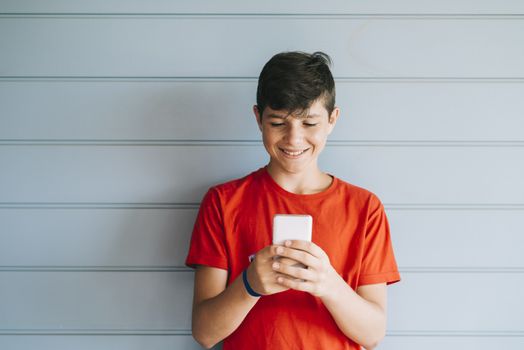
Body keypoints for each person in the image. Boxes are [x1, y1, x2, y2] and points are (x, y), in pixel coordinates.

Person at [185, 51, 400, 350]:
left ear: (332, 120)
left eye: (309, 124)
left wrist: (329, 285)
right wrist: (249, 285)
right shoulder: (222, 202)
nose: (294, 139)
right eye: (278, 123)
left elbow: (373, 334)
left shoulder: (365, 209)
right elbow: (205, 333)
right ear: (258, 118)